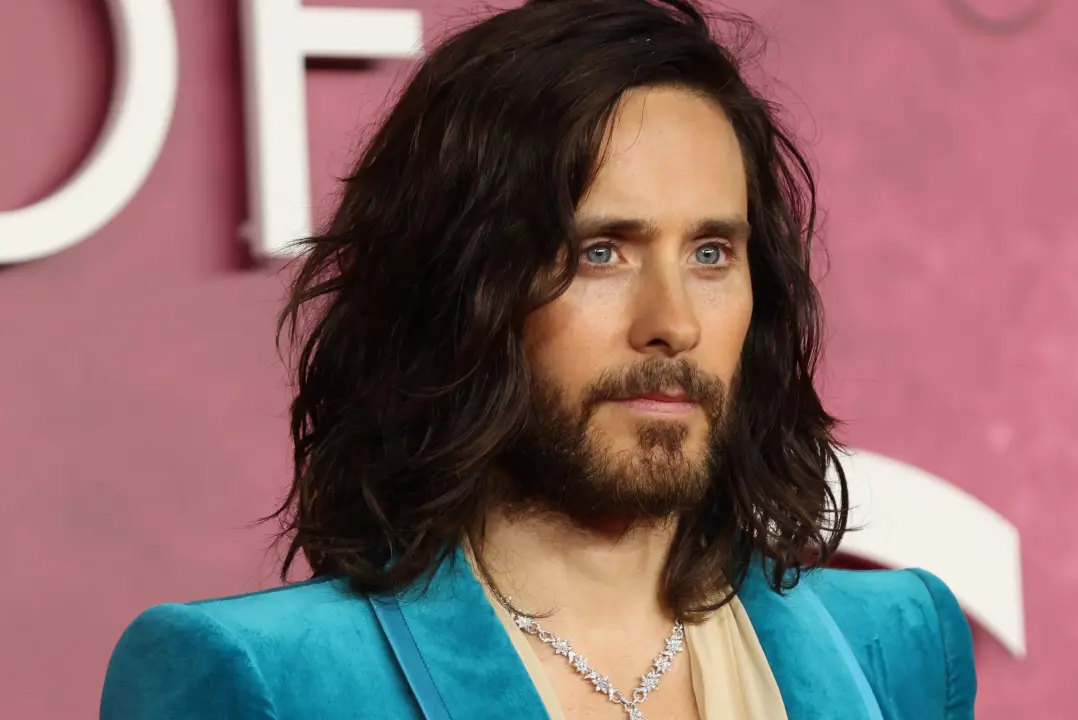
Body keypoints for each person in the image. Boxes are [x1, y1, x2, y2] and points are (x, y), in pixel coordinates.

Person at [100, 1, 976, 718]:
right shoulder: (262, 679)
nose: (672, 324)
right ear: (462, 287)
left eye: (711, 253)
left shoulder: (897, 644)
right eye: (602, 252)